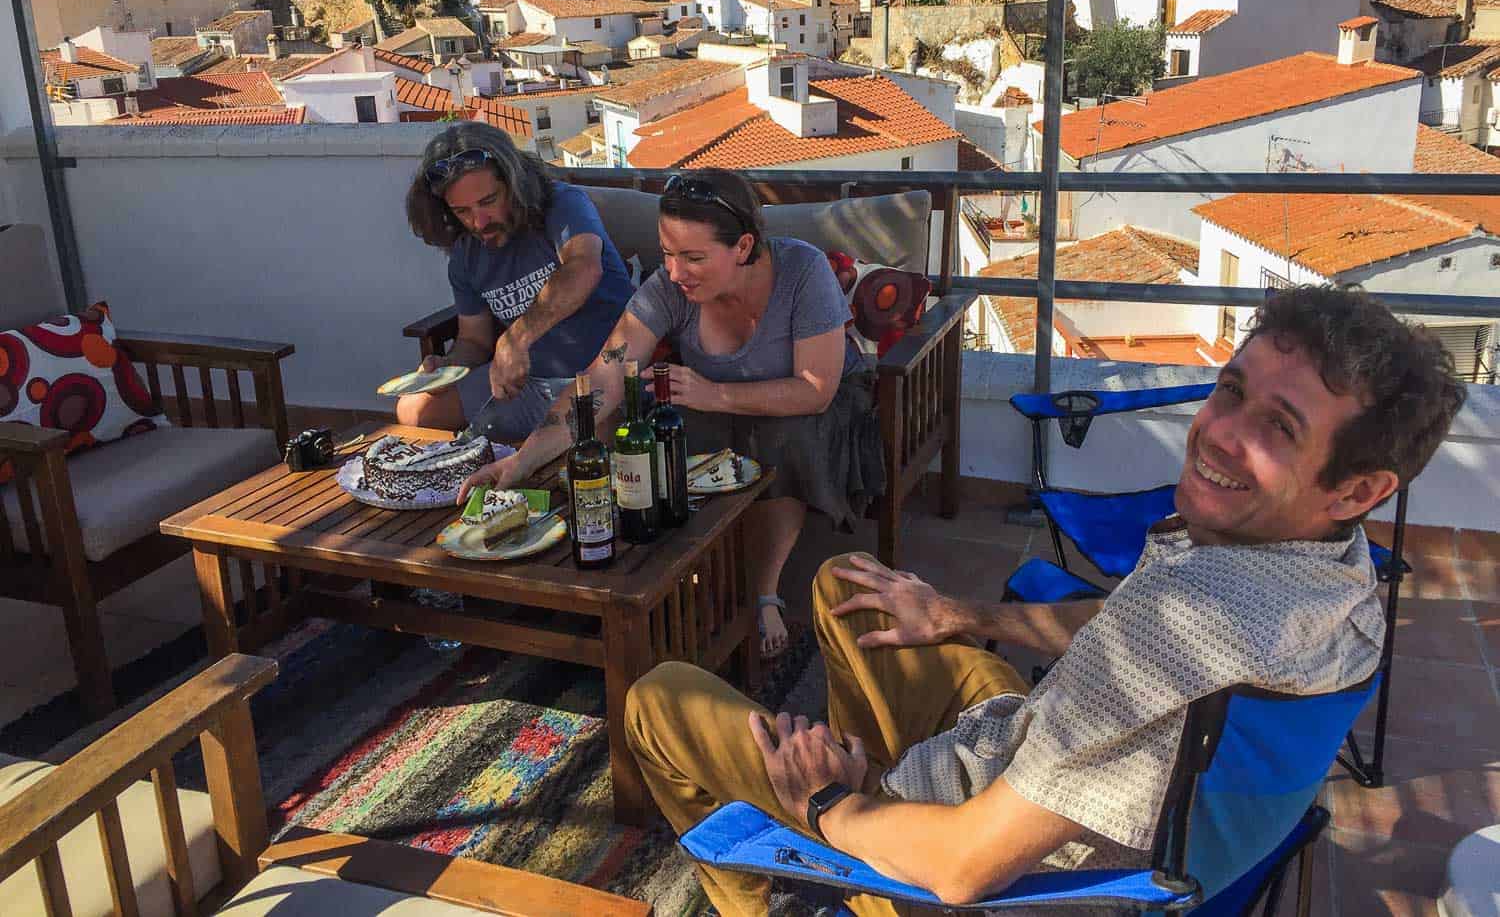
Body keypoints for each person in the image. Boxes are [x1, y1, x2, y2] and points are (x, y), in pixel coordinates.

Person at [621, 285, 1466, 916]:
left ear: (1358, 485)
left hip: (980, 863)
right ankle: (865, 773)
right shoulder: (1343, 576)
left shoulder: (1195, 623)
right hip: (1046, 759)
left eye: (1280, 427)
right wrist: (965, 616)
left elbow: (963, 866)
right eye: (1233, 389)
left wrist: (830, 804)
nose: (1220, 431)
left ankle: (824, 871)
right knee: (852, 589)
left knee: (658, 697)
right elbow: (1136, 635)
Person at [460, 169, 884, 657]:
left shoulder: (802, 272)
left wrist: (714, 395)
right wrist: (521, 461)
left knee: (783, 435)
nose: (676, 271)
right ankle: (669, 572)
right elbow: (604, 377)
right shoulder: (668, 289)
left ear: (743, 247)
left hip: (816, 407)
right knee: (639, 431)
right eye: (667, 253)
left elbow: (816, 391)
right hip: (712, 400)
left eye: (694, 257)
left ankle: (763, 591)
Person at [399, 122, 633, 442]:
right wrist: (448, 367)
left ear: (514, 183)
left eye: (488, 201)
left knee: (593, 444)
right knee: (412, 409)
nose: (478, 222)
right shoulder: (466, 255)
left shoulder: (562, 204)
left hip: (599, 377)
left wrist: (517, 338)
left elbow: (583, 268)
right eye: (462, 211)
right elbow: (475, 341)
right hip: (527, 386)